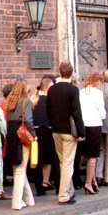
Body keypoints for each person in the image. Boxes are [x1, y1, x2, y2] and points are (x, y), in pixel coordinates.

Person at [46, 61, 85, 205]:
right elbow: (77, 113)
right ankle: (63, 195)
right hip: (69, 131)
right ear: (72, 73)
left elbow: (48, 110)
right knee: (68, 163)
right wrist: (81, 131)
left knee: (63, 162)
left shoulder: (52, 89)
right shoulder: (73, 90)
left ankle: (69, 190)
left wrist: (52, 124)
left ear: (60, 72)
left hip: (56, 129)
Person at [5, 79, 36, 211]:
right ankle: (16, 202)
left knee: (18, 167)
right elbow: (28, 120)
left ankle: (29, 199)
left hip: (12, 135)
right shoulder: (26, 101)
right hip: (23, 135)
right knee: (20, 169)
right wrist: (33, 134)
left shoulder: (10, 102)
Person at [79, 72, 106, 195]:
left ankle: (93, 180)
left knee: (85, 153)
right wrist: (102, 115)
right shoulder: (98, 93)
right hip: (94, 124)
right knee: (93, 156)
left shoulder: (81, 92)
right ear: (97, 82)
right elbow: (101, 111)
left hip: (84, 125)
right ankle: (88, 182)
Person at [30, 77, 56, 196]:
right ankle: (53, 183)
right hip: (48, 131)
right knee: (51, 158)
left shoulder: (33, 99)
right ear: (48, 87)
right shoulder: (49, 99)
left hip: (35, 132)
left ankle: (39, 187)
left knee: (38, 160)